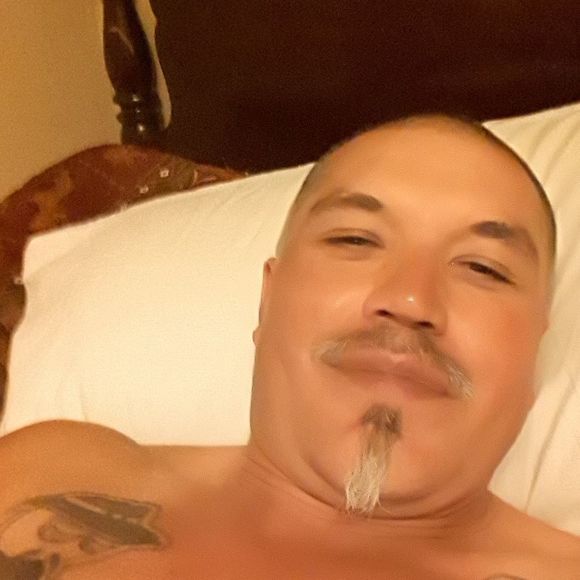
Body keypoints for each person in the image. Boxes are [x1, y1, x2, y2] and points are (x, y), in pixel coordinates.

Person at [0, 114, 579, 580]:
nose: (409, 299)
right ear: (267, 302)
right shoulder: (51, 472)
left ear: (534, 356)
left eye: (483, 268)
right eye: (355, 239)